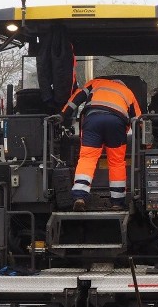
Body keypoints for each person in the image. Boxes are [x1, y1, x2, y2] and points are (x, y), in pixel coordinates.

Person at [56, 78, 142, 211]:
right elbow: (137, 120)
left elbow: (77, 98)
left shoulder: (96, 82)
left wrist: (62, 115)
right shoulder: (128, 92)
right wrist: (143, 142)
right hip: (116, 123)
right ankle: (117, 202)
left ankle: (79, 196)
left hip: (93, 120)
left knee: (87, 158)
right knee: (117, 162)